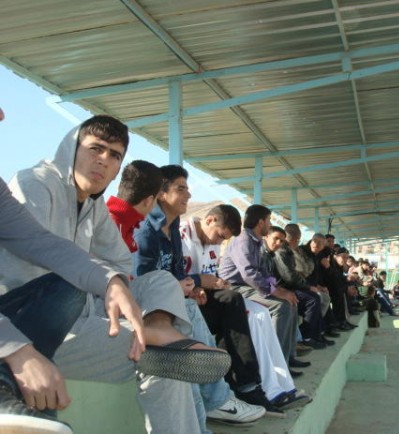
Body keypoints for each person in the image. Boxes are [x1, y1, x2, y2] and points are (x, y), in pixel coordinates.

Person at [0, 115, 228, 434]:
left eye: (115, 155)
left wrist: (111, 283)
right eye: (96, 148)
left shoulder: (94, 206)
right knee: (161, 354)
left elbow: (115, 260)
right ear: (72, 149)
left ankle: (158, 327)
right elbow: (38, 274)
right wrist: (17, 349)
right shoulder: (37, 184)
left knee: (161, 284)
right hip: (38, 322)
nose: (104, 160)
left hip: (81, 312)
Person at [108, 162, 265, 430]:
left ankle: (219, 401)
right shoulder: (145, 229)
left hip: (167, 303)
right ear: (160, 193)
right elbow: (145, 280)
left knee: (188, 344)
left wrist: (192, 288)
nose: (189, 194)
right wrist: (187, 285)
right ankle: (220, 399)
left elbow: (177, 273)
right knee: (188, 326)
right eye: (181, 189)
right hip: (143, 306)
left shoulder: (172, 229)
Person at [180, 206, 307, 410]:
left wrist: (201, 285)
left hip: (214, 292)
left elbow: (261, 273)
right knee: (255, 312)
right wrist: (198, 283)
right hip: (227, 291)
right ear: (210, 220)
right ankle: (255, 386)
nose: (220, 243)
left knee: (261, 312)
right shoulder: (182, 235)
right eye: (220, 236)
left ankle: (279, 383)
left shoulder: (247, 241)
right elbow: (248, 274)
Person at [219, 205, 305, 373]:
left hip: (248, 285)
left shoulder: (255, 240)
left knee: (292, 301)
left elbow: (263, 271)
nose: (270, 223)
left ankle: (288, 356)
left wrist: (278, 288)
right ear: (260, 222)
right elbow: (249, 273)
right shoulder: (243, 239)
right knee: (281, 306)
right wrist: (276, 292)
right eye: (269, 220)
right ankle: (276, 364)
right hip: (234, 288)